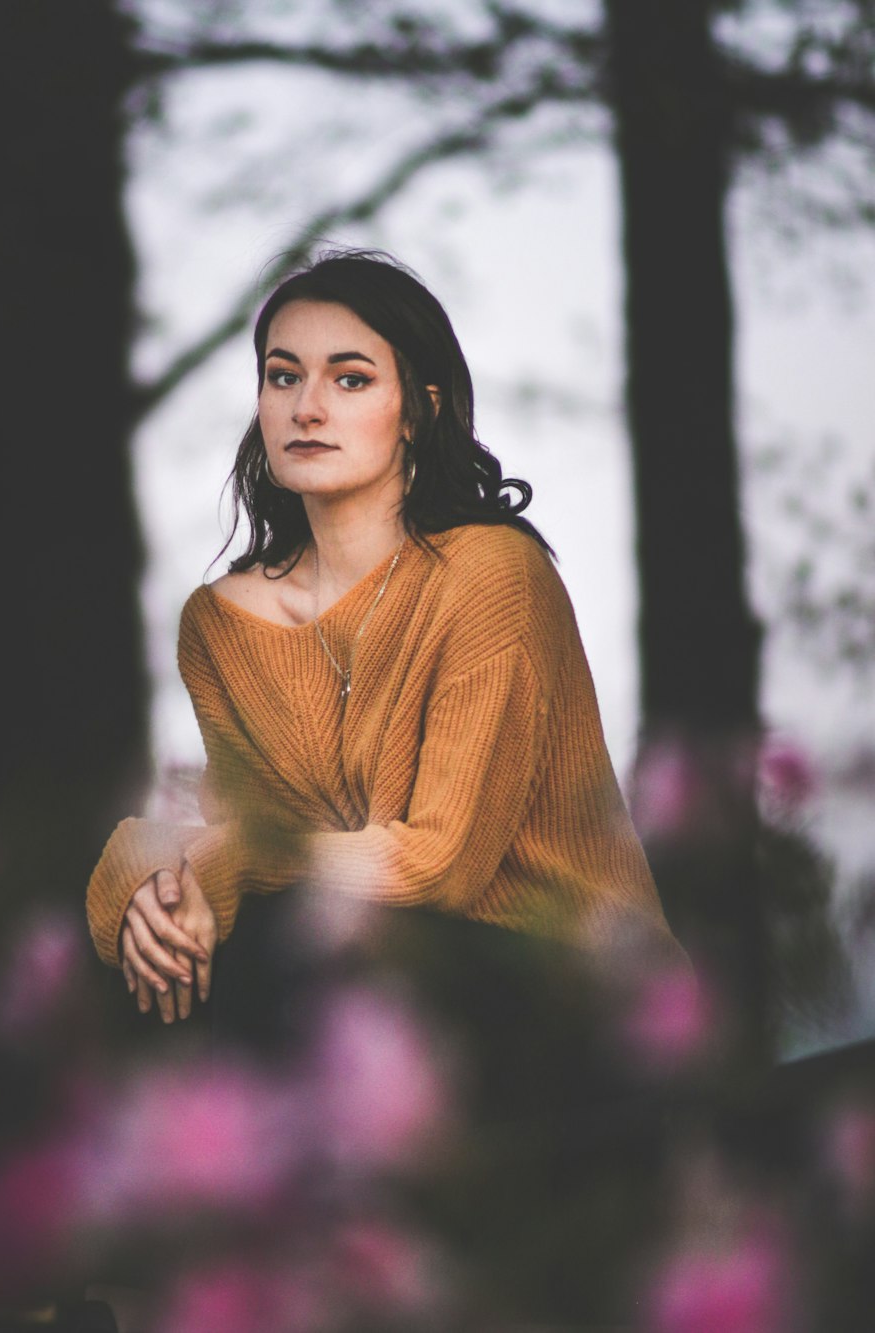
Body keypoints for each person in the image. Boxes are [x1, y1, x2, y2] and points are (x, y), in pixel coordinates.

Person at [85, 249, 682, 1029]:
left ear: (418, 408)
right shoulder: (220, 625)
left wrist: (224, 864)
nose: (307, 407)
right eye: (283, 375)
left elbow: (441, 867)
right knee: (162, 961)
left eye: (351, 378)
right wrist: (142, 879)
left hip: (572, 986)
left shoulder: (492, 574)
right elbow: (246, 845)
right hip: (374, 973)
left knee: (269, 945)